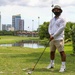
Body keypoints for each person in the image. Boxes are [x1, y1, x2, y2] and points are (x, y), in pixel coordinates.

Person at [47, 5, 66, 72]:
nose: (56, 11)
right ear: (53, 11)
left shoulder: (62, 19)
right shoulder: (52, 20)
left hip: (59, 38)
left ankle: (63, 66)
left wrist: (54, 35)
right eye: (55, 10)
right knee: (52, 52)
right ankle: (52, 64)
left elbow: (61, 29)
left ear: (60, 11)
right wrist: (50, 34)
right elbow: (49, 27)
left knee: (61, 52)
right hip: (52, 38)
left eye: (57, 10)